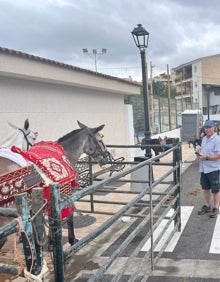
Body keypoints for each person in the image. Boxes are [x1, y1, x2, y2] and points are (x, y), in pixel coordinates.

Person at [196, 120, 220, 218]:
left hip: (213, 168)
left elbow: (219, 155)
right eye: (206, 127)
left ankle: (216, 207)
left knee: (215, 189)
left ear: (213, 128)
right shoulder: (204, 138)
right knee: (205, 188)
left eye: (210, 127)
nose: (208, 129)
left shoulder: (217, 139)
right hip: (204, 168)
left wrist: (206, 157)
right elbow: (203, 150)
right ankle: (207, 205)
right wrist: (199, 153)